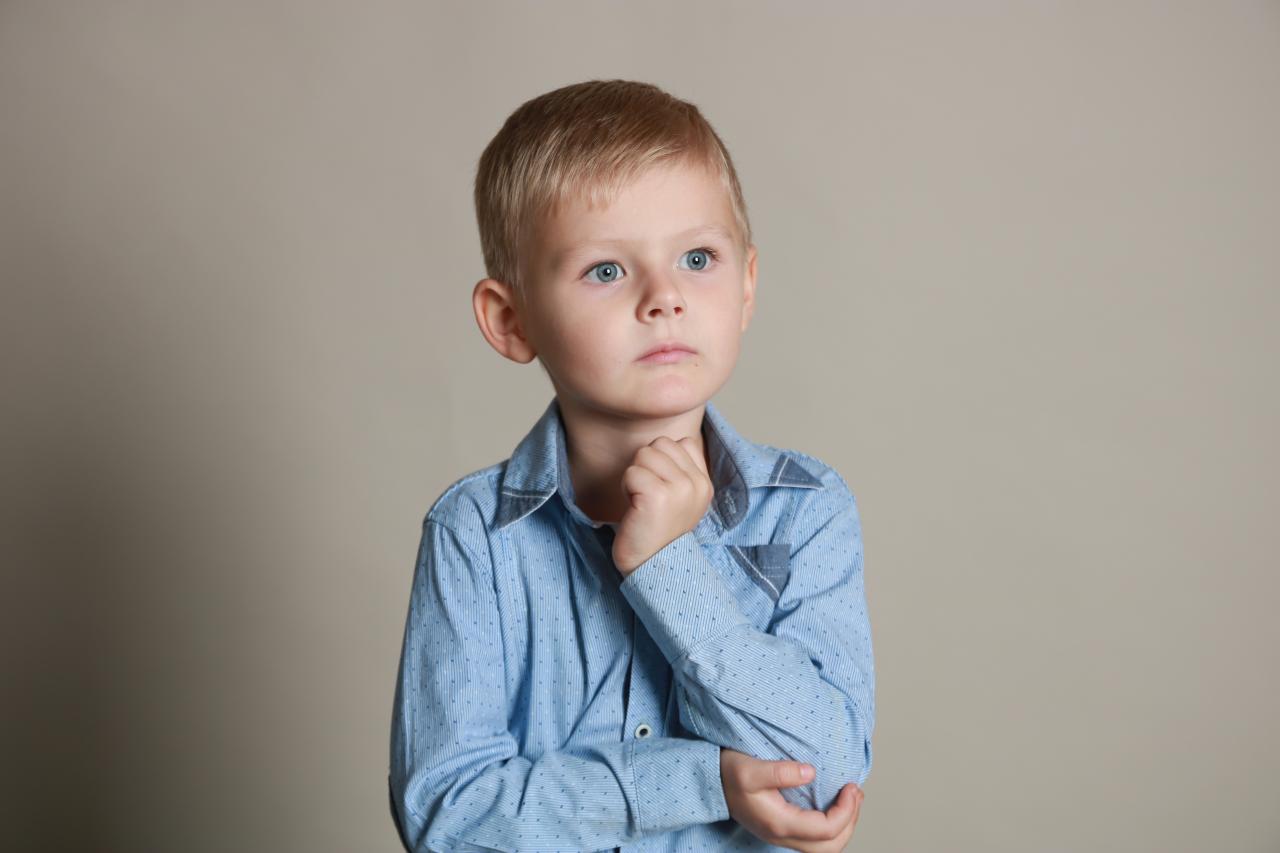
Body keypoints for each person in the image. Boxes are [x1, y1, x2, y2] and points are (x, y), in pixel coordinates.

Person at [389, 79, 874, 852]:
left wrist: (670, 566)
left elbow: (821, 783)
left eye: (697, 257)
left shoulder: (805, 509)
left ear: (747, 286)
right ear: (511, 320)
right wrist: (701, 781)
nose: (665, 297)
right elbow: (448, 817)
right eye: (607, 270)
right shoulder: (475, 533)